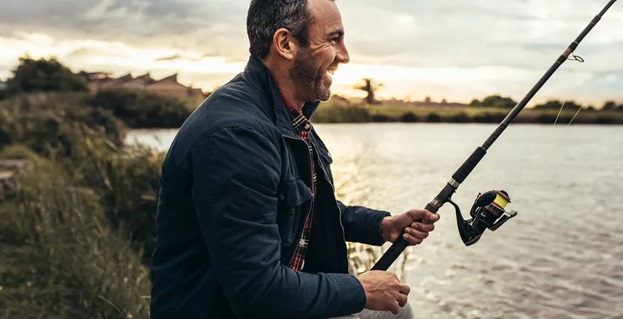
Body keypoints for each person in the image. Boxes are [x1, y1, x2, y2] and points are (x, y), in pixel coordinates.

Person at [150, 0, 440, 318]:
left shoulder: (286, 117)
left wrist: (381, 226)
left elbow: (300, 208)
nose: (344, 55)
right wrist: (361, 290)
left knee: (397, 309)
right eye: (333, 39)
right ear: (286, 44)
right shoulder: (236, 136)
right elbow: (258, 292)